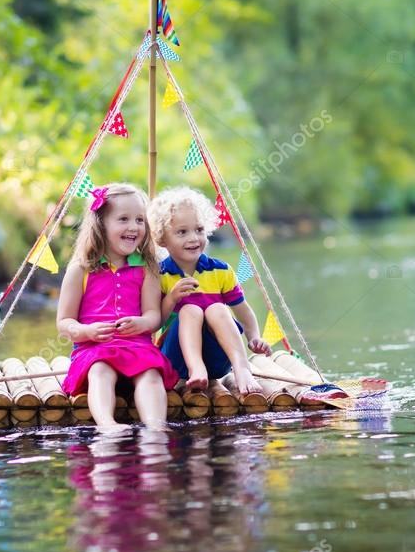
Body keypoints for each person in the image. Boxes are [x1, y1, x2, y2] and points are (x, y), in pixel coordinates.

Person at [56, 182, 178, 431]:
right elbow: (64, 322)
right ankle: (107, 424)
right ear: (101, 224)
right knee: (100, 371)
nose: (134, 227)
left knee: (151, 375)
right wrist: (87, 332)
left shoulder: (147, 268)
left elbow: (153, 315)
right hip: (95, 348)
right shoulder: (81, 268)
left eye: (140, 220)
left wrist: (142, 323)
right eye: (123, 219)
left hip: (137, 347)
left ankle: (156, 427)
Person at [147, 187, 270, 393]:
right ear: (162, 239)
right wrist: (171, 298)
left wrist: (254, 337)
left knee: (217, 308)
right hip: (177, 361)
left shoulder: (220, 271)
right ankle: (196, 369)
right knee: (190, 310)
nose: (194, 238)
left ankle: (241, 367)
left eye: (199, 230)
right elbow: (153, 324)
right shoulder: (158, 275)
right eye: (182, 232)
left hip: (217, 360)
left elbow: (243, 311)